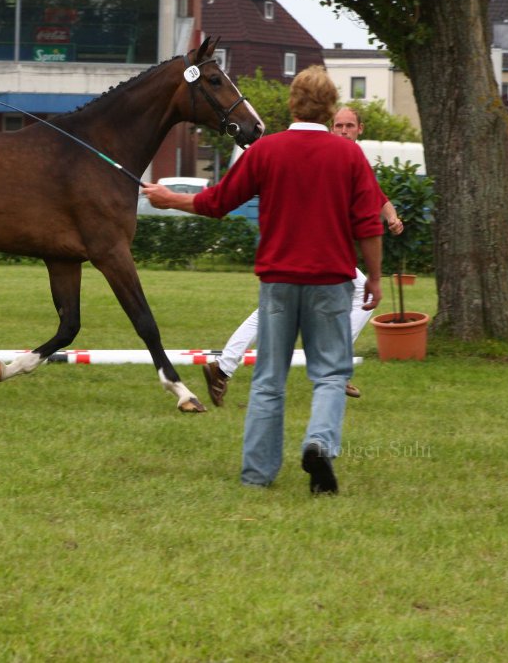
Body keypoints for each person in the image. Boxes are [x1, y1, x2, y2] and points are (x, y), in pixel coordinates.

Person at [143, 67, 383, 495]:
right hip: (332, 280)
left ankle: (257, 474)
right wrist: (376, 279)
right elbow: (368, 224)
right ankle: (319, 444)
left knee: (269, 379)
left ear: (292, 103)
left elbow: (217, 202)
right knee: (329, 375)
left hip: (278, 280)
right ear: (330, 110)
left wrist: (169, 198)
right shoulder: (349, 157)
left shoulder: (266, 151)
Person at [202, 106, 403, 402]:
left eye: (349, 126)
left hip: (308, 251)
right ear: (331, 127)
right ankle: (334, 367)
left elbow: (375, 193)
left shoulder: (347, 158)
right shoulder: (333, 154)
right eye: (339, 126)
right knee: (357, 293)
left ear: (360, 129)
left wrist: (391, 215)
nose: (344, 131)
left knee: (275, 309)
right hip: (313, 250)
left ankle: (224, 367)